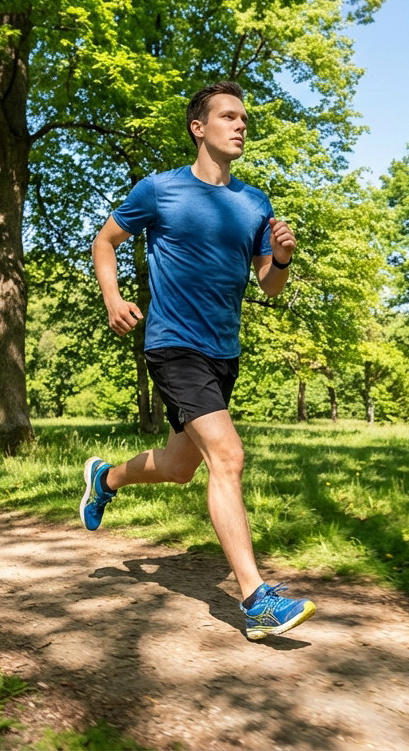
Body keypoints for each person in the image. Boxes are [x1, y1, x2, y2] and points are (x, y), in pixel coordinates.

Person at [81, 81, 315, 640]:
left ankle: (105, 478)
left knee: (181, 466)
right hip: (173, 344)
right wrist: (114, 298)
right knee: (227, 458)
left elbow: (270, 287)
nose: (240, 126)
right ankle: (257, 599)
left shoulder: (255, 202)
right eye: (228, 117)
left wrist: (281, 257)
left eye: (244, 120)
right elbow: (104, 241)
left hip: (222, 353)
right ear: (199, 127)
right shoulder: (160, 191)